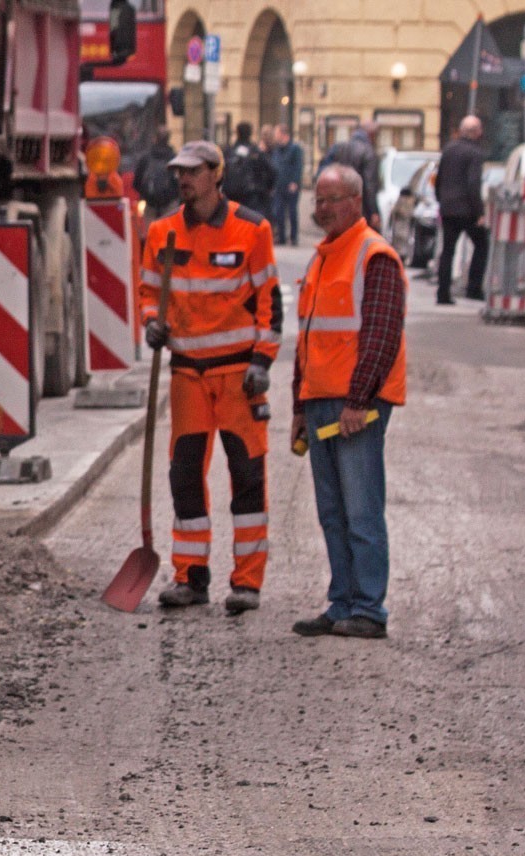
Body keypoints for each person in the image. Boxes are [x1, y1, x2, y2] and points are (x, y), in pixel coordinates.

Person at [138, 141, 282, 614]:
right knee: (185, 477)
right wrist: (150, 322)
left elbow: (270, 302)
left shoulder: (252, 229)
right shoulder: (162, 232)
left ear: (216, 176)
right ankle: (190, 578)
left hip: (238, 375)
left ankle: (246, 584)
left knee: (246, 477)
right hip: (187, 376)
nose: (183, 179)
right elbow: (148, 291)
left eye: (194, 172)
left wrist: (262, 360)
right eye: (179, 171)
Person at [291, 165, 405, 640]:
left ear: (356, 201)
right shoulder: (322, 258)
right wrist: (299, 407)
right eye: (318, 201)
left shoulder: (374, 255)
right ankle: (342, 603)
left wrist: (358, 401)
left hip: (356, 405)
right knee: (333, 512)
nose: (321, 209)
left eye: (331, 200)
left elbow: (379, 336)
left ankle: (368, 609)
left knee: (360, 510)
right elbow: (309, 338)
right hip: (320, 401)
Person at [435, 114, 490, 305]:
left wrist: (440, 201)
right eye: (480, 129)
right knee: (482, 244)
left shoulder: (449, 149)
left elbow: (439, 178)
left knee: (447, 250)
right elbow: (473, 184)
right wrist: (480, 212)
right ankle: (474, 288)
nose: (482, 132)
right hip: (467, 210)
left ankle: (443, 293)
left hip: (448, 208)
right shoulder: (475, 153)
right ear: (475, 132)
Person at [320, 120, 381, 227]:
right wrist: (374, 212)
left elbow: (324, 171)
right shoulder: (368, 152)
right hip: (360, 207)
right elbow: (369, 185)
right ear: (371, 134)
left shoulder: (339, 147)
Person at [224, 122, 278, 216]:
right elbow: (272, 171)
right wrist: (268, 188)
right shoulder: (255, 152)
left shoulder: (229, 151)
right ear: (250, 134)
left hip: (231, 195)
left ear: (237, 133)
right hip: (252, 196)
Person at [269, 125, 305, 245]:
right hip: (279, 185)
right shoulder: (277, 149)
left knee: (292, 211)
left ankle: (294, 237)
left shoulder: (295, 149)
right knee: (279, 211)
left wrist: (295, 181)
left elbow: (298, 166)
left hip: (291, 185)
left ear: (283, 134)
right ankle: (282, 236)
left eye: (277, 133)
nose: (275, 136)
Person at [135, 128, 179, 217]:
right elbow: (179, 182)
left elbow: (137, 182)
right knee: (169, 229)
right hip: (169, 204)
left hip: (150, 204)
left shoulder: (146, 158)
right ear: (168, 139)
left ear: (155, 138)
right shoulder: (174, 158)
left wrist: (145, 196)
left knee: (151, 230)